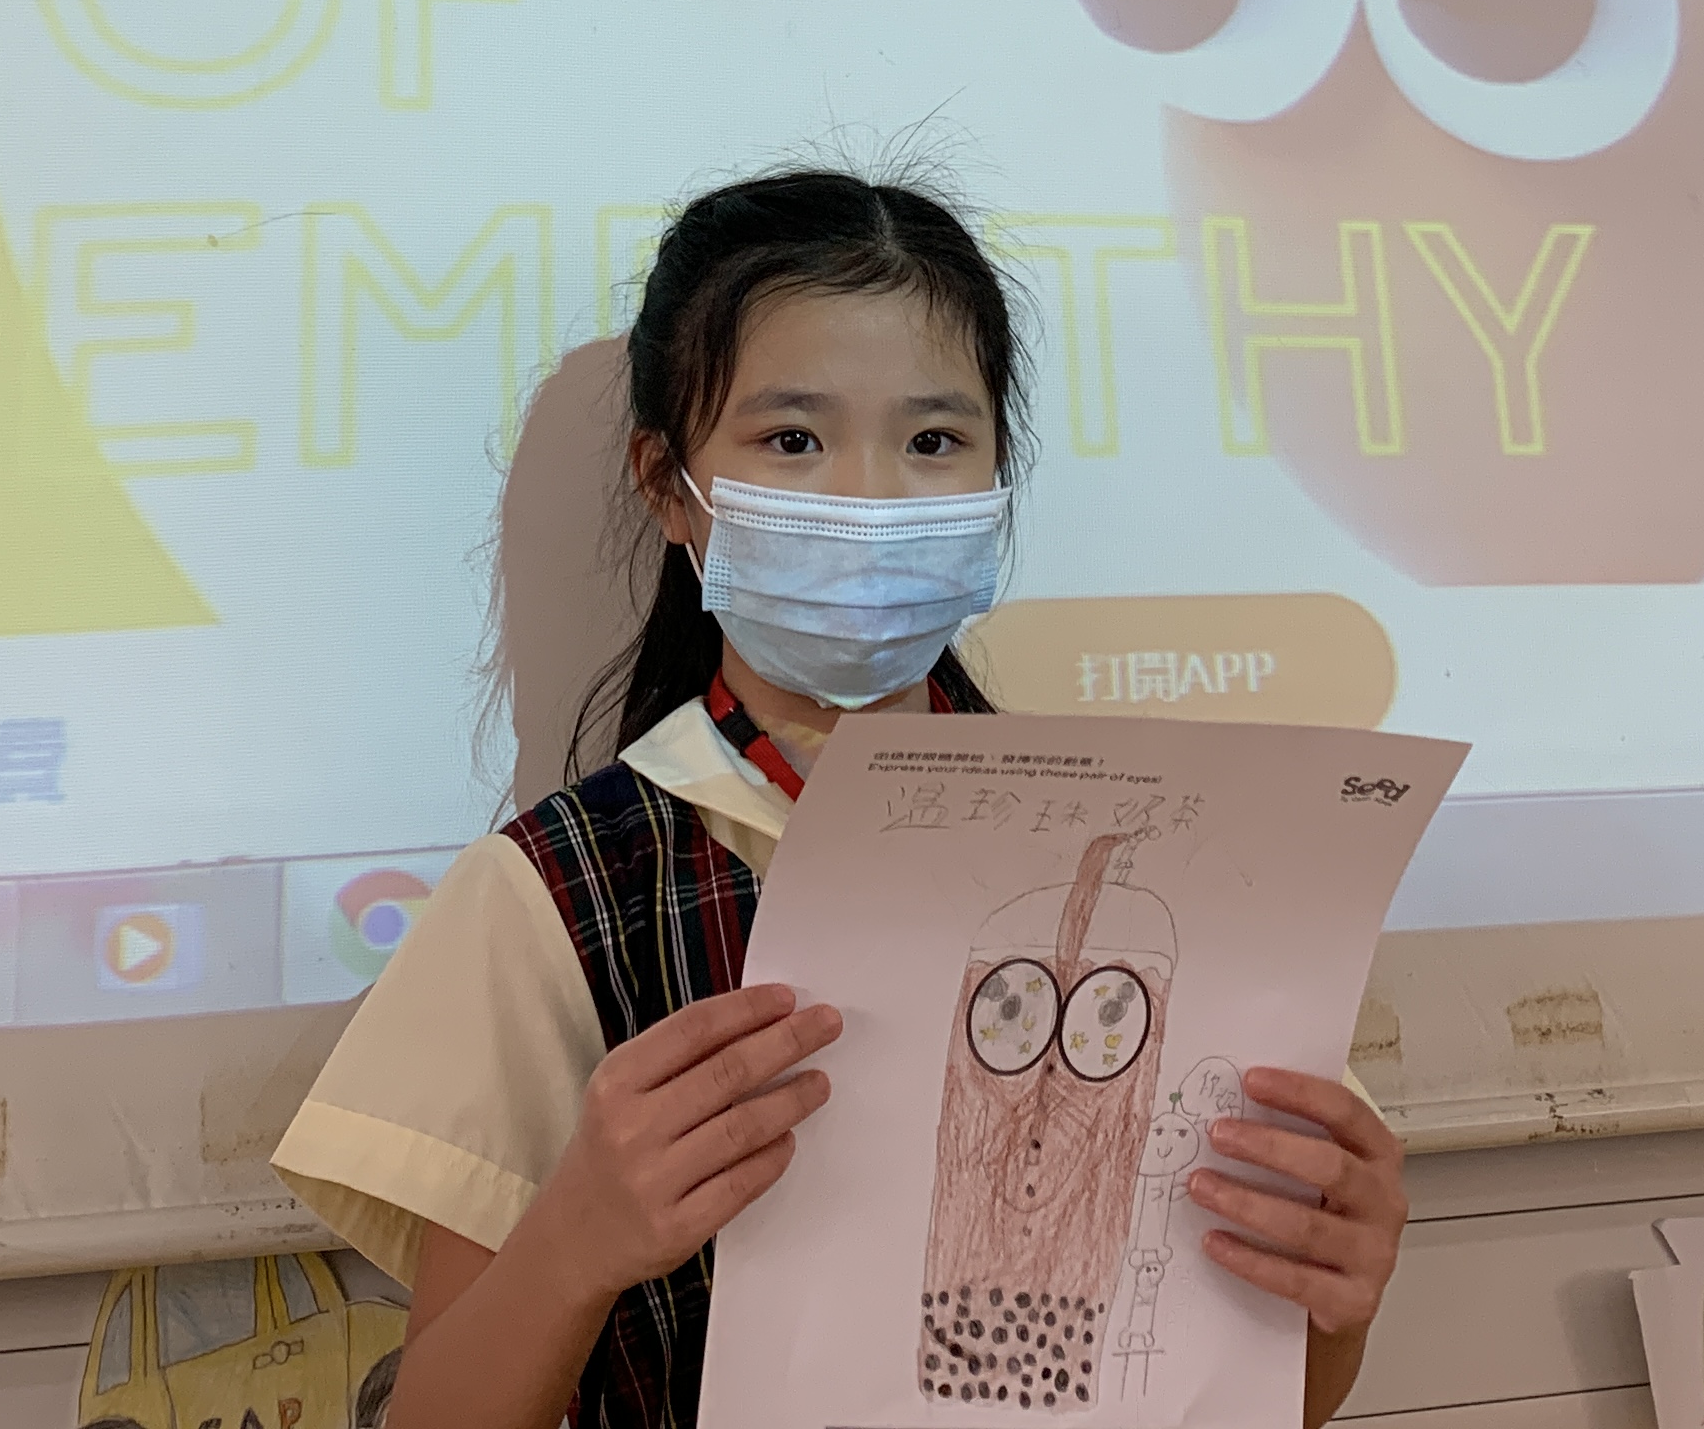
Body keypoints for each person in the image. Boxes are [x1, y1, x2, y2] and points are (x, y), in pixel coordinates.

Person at [273, 167, 1408, 1429]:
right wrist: (582, 1232)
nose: (869, 502)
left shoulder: (1161, 853)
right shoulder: (555, 896)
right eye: (793, 441)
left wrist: (1334, 1298)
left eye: (932, 442)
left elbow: (1268, 1394)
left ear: (998, 478)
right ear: (668, 485)